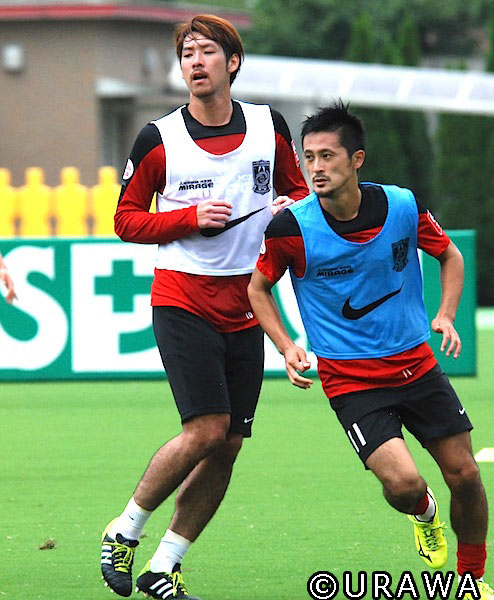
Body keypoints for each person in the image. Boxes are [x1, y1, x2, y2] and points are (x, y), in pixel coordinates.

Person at [248, 102, 494, 600]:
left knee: (466, 475)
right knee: (405, 486)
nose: (316, 168)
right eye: (309, 157)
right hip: (351, 381)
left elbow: (449, 255)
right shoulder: (290, 227)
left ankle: (472, 581)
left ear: (356, 159)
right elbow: (257, 289)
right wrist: (286, 346)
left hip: (417, 366)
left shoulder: (402, 206)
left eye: (327, 156)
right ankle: (424, 513)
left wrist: (446, 314)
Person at [101, 14, 308, 599]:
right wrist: (188, 218)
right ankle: (124, 530)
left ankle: (164, 566)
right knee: (206, 429)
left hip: (247, 303)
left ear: (232, 63)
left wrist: (289, 208)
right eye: (187, 53)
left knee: (229, 443)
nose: (195, 61)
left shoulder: (269, 126)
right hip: (183, 298)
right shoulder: (158, 138)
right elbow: (125, 220)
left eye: (207, 51)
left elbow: (298, 190)